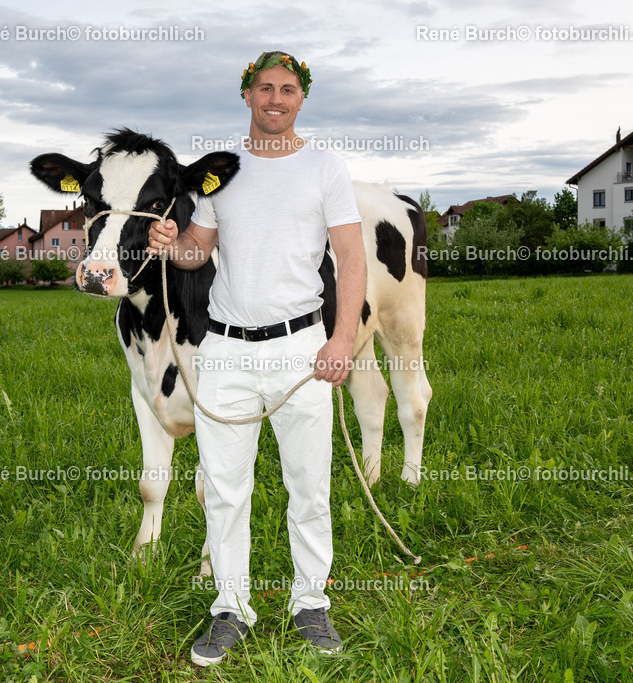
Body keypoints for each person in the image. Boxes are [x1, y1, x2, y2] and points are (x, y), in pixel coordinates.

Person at [147, 50, 366, 667]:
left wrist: (341, 338)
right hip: (225, 350)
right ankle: (230, 609)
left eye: (288, 89)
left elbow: (351, 259)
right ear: (246, 94)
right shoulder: (223, 171)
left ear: (302, 99)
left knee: (309, 485)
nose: (275, 99)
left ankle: (310, 604)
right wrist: (171, 243)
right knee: (223, 488)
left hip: (303, 348)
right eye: (264, 88)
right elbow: (199, 254)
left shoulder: (325, 167)